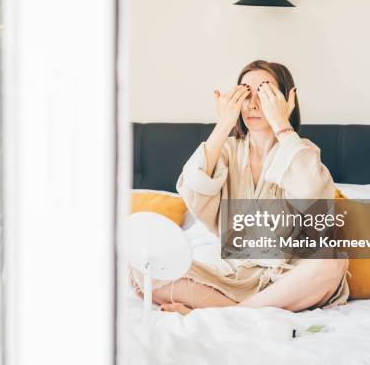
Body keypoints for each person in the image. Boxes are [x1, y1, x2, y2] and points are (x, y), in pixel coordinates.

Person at [131, 60, 349, 315]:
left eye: (266, 93)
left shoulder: (302, 151)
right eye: (246, 94)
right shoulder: (226, 152)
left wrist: (281, 122)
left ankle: (222, 313)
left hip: (289, 279)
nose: (254, 104)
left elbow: (313, 193)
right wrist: (224, 123)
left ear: (287, 99)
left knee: (333, 261)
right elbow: (192, 188)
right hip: (232, 279)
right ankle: (242, 311)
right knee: (141, 269)